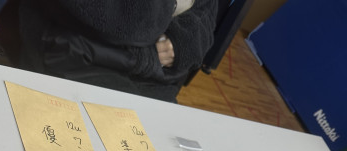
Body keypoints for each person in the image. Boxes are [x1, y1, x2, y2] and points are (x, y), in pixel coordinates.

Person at [13, 0, 218, 102]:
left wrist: (182, 43)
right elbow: (133, 22)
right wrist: (150, 54)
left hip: (156, 77)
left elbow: (205, 20)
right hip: (75, 58)